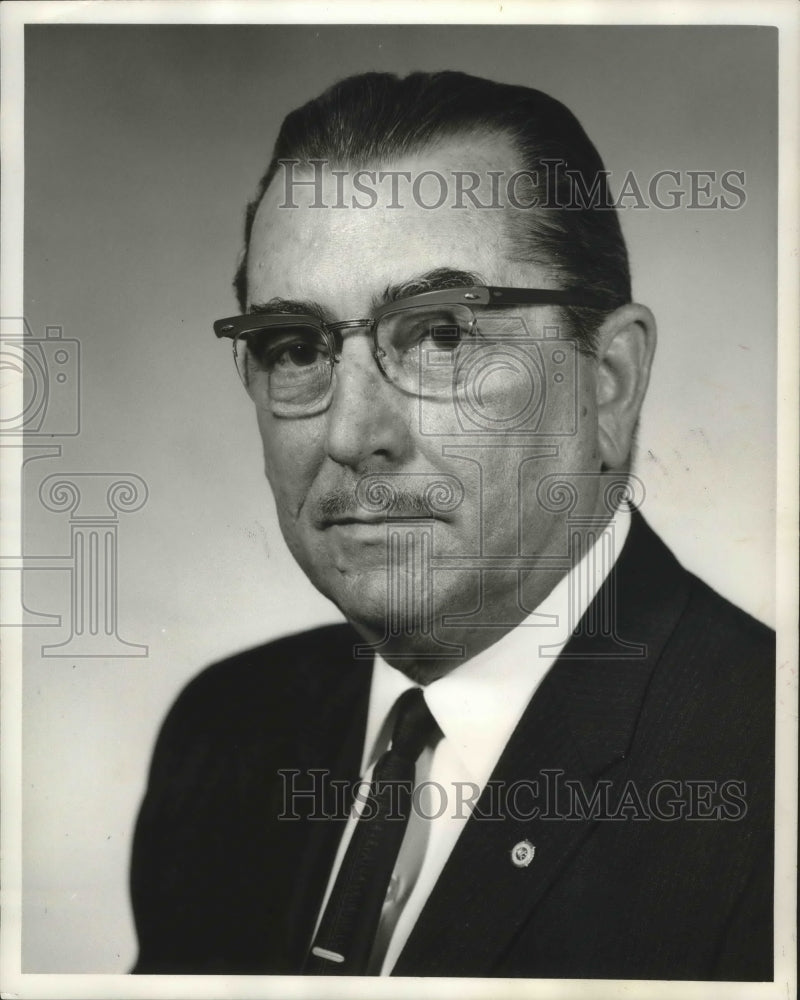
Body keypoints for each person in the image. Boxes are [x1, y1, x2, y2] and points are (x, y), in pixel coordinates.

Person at [130, 71, 774, 980]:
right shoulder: (226, 734)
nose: (354, 434)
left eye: (442, 336)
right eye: (295, 347)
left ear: (609, 380)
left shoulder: (765, 770)